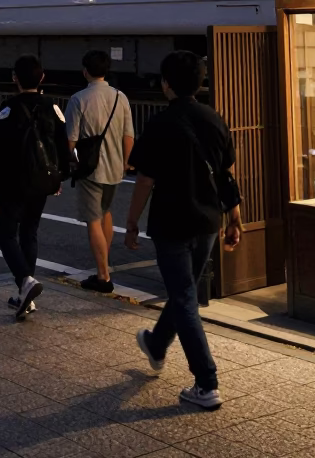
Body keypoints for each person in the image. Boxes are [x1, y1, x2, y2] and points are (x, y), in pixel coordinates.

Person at [125, 50, 242, 410]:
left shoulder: (160, 123)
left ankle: (206, 383)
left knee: (185, 299)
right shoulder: (215, 119)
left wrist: (131, 221)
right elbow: (225, 173)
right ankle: (157, 344)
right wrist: (235, 216)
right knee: (183, 293)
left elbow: (145, 178)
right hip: (208, 221)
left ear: (166, 83)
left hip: (172, 223)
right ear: (200, 82)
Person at [0, 54, 70, 319]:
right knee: (30, 232)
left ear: (14, 78)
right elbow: (62, 149)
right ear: (42, 78)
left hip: (13, 182)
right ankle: (25, 296)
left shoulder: (7, 109)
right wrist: (59, 178)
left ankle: (25, 282)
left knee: (6, 233)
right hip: (42, 182)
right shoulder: (53, 108)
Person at [65, 50, 134, 293]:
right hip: (115, 168)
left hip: (90, 169)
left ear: (85, 71)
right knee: (105, 212)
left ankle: (103, 276)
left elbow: (71, 141)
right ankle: (104, 266)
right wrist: (125, 162)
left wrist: (73, 163)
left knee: (93, 219)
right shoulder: (120, 97)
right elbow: (128, 135)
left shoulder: (78, 99)